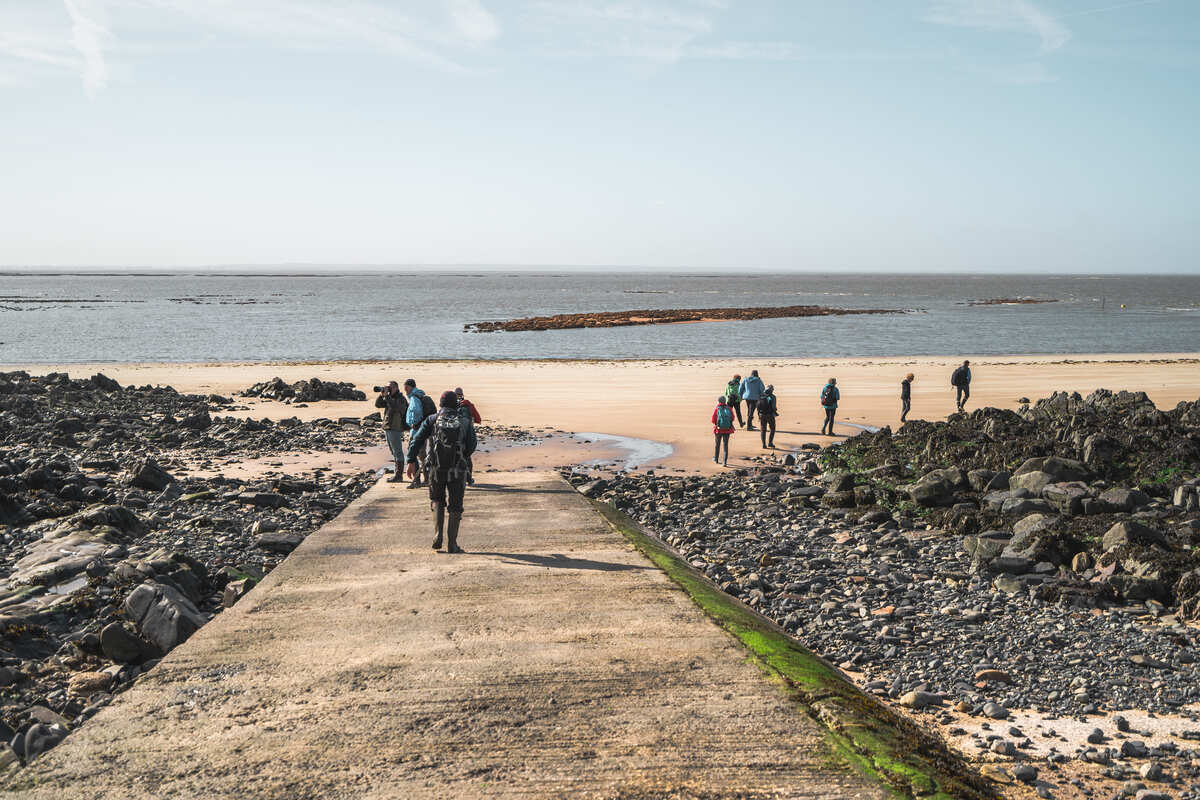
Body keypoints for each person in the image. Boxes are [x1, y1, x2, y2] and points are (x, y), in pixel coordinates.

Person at [407, 391, 477, 554]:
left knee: (437, 499)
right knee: (455, 506)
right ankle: (452, 544)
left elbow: (416, 440)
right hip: (457, 470)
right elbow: (472, 444)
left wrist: (411, 460)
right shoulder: (465, 421)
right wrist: (463, 457)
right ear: (456, 404)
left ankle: (438, 534)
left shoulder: (432, 420)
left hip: (436, 469)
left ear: (440, 404)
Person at [375, 381, 409, 482]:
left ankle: (399, 475)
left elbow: (396, 408)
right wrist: (382, 395)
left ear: (395, 388)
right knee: (393, 451)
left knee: (397, 451)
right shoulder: (389, 397)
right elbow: (378, 404)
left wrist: (387, 397)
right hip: (388, 427)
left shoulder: (401, 399)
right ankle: (397, 473)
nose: (388, 389)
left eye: (390, 387)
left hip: (395, 427)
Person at [403, 378, 434, 488]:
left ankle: (416, 480)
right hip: (422, 430)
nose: (405, 390)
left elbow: (416, 411)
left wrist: (414, 424)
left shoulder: (414, 398)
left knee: (413, 454)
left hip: (416, 431)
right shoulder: (419, 395)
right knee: (422, 455)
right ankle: (426, 479)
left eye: (406, 387)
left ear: (411, 387)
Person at [455, 387, 481, 485]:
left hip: (455, 435)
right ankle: (469, 479)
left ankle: (458, 478)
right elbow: (478, 419)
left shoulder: (450, 405)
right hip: (468, 434)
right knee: (466, 456)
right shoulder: (469, 405)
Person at [712, 395, 734, 466]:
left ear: (718, 401)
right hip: (727, 430)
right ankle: (724, 462)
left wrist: (717, 424)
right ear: (725, 401)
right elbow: (733, 418)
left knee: (717, 445)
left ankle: (716, 459)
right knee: (725, 446)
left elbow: (713, 419)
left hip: (718, 430)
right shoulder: (729, 408)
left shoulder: (717, 409)